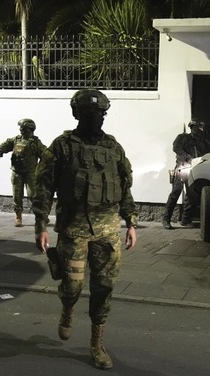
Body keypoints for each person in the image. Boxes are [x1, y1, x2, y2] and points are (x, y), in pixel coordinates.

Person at [32, 89, 138, 370]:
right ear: (76, 114)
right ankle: (68, 308)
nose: (95, 119)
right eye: (89, 114)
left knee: (104, 287)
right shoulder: (61, 146)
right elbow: (43, 186)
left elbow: (125, 187)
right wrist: (41, 224)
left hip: (107, 230)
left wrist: (131, 222)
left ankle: (97, 344)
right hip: (73, 229)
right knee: (73, 286)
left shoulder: (114, 148)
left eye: (100, 114)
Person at [162, 117, 210, 229]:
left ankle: (185, 219)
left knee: (192, 195)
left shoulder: (203, 141)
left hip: (194, 169)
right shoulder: (183, 137)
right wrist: (187, 157)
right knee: (176, 192)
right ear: (193, 127)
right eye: (199, 127)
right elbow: (176, 147)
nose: (201, 129)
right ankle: (166, 219)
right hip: (182, 167)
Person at [0, 118, 46, 227]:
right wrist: (0, 151)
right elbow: (6, 144)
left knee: (33, 195)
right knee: (17, 196)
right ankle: (18, 216)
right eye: (21, 128)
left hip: (31, 173)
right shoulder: (16, 140)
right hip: (17, 172)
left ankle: (40, 216)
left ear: (30, 129)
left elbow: (45, 155)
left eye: (23, 128)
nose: (21, 130)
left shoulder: (35, 142)